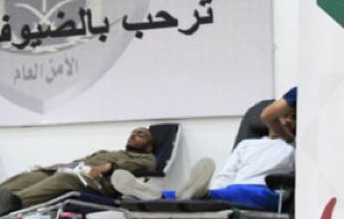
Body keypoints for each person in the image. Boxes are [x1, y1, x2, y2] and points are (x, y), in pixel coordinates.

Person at [112, 89, 297, 211]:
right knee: (213, 192)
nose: (289, 121)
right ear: (274, 117)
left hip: (268, 194)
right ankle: (154, 194)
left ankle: (199, 195)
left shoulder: (296, 147)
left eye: (294, 118)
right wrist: (214, 197)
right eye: (285, 115)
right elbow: (227, 174)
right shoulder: (247, 144)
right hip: (235, 191)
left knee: (226, 192)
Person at [0, 127, 156, 218]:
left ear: (149, 146)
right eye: (133, 133)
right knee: (33, 175)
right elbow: (78, 163)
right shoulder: (106, 152)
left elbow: (136, 170)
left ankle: (13, 204)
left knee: (65, 178)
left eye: (141, 135)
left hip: (98, 186)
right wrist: (56, 165)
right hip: (77, 173)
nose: (134, 135)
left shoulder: (147, 159)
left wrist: (109, 167)